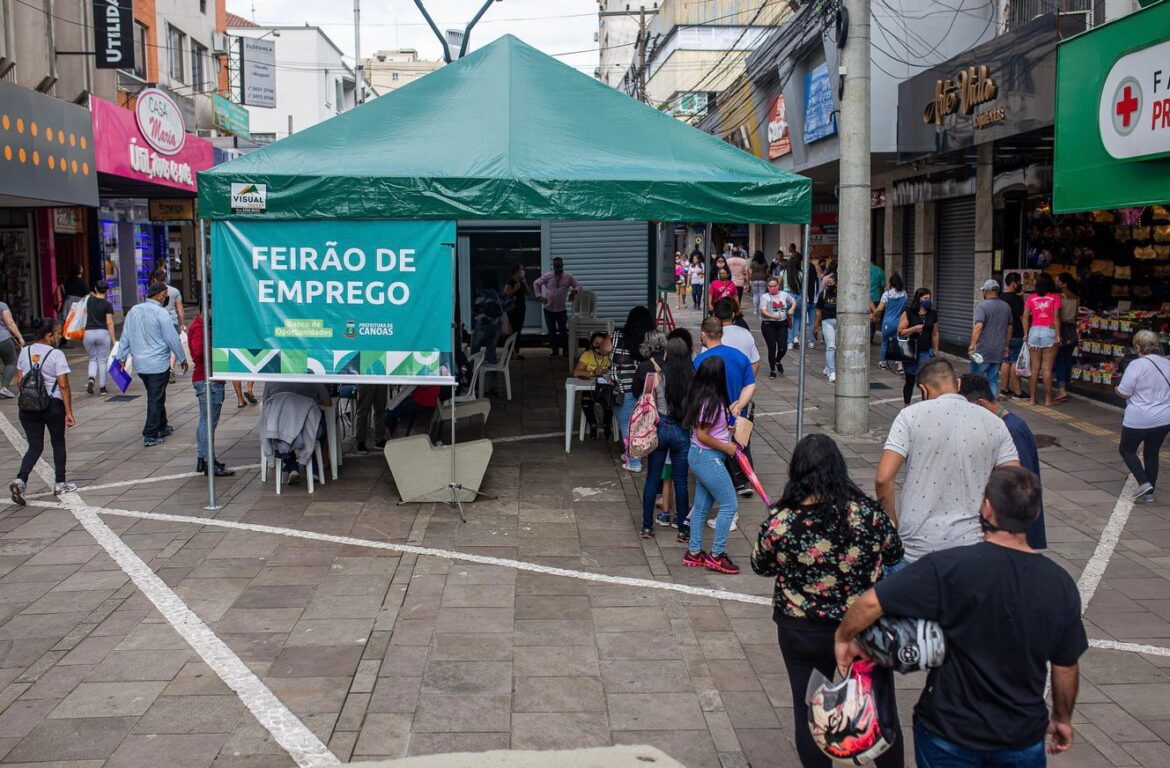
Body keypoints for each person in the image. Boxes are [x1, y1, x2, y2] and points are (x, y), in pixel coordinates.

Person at [835, 467, 1088, 768]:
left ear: (987, 508)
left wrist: (844, 637)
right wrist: (1061, 718)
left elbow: (869, 603)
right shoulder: (1059, 584)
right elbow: (1065, 666)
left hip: (949, 731)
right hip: (1020, 735)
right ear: (1034, 516)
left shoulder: (951, 567)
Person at [752, 434, 904, 768]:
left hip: (802, 628)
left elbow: (760, 565)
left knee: (810, 714)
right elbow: (895, 552)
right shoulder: (868, 515)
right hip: (864, 627)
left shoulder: (781, 521)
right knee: (879, 710)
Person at [875, 358, 1019, 568]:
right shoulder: (995, 423)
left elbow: (883, 479)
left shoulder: (909, 416)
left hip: (916, 547)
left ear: (923, 390)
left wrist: (892, 525)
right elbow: (1015, 483)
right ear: (958, 385)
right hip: (972, 547)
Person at [960, 373, 1046, 549]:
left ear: (980, 403)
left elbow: (1020, 483)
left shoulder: (1011, 431)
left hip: (1013, 530)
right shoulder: (1008, 425)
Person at [682, 354, 740, 575]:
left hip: (698, 456)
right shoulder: (713, 402)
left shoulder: (701, 397)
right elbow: (703, 435)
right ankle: (717, 555)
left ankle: (694, 552)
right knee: (729, 505)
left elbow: (707, 430)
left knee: (701, 506)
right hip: (709, 458)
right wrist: (728, 447)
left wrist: (727, 432)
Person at [8, 318, 76, 504]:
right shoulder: (56, 355)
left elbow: (20, 381)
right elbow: (63, 385)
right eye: (57, 333)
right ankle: (60, 483)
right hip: (52, 405)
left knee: (35, 446)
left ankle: (21, 480)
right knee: (58, 442)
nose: (59, 336)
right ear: (48, 336)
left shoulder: (25, 352)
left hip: (28, 406)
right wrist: (68, 411)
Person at [635, 332, 693, 539]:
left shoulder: (656, 377)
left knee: (652, 478)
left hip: (660, 428)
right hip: (681, 430)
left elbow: (645, 402)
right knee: (681, 481)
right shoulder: (691, 378)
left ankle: (647, 526)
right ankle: (683, 529)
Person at [116, 282, 188, 447]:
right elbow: (171, 338)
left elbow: (126, 336)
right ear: (160, 295)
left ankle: (162, 425)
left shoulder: (133, 310)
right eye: (165, 296)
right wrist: (182, 358)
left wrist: (121, 357)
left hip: (140, 364)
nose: (166, 299)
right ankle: (150, 433)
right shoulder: (161, 313)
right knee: (155, 398)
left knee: (156, 394)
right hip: (157, 363)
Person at [712, 299, 760, 499]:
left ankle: (727, 480)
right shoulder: (745, 334)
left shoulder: (714, 336)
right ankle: (743, 479)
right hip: (741, 395)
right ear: (733, 314)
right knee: (742, 437)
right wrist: (744, 384)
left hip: (717, 395)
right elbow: (755, 364)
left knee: (718, 435)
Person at [1116, 329, 1170, 502]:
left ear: (1138, 346)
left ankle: (1143, 482)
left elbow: (1124, 392)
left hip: (1139, 418)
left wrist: (1116, 389)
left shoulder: (1136, 365)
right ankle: (1149, 494)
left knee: (1126, 449)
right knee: (1152, 453)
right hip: (1164, 417)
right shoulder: (1167, 363)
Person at [188, 302, 234, 478]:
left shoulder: (200, 325)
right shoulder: (201, 327)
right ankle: (208, 461)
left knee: (204, 421)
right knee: (208, 423)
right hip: (208, 379)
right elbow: (199, 352)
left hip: (206, 377)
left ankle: (204, 458)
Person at [263, 381, 331, 484]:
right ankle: (314, 468)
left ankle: (292, 467)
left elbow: (265, 404)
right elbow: (328, 402)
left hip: (280, 433)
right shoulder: (313, 378)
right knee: (315, 425)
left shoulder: (272, 379)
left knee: (285, 426)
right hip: (308, 432)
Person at [611, 307, 654, 470]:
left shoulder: (616, 337)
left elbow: (605, 351)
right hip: (646, 390)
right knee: (641, 424)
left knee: (626, 426)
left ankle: (634, 461)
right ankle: (632, 453)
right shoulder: (651, 341)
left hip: (622, 389)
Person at [967, 279, 1013, 398]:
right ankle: (989, 405)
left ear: (986, 291)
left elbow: (978, 327)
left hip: (982, 351)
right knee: (993, 379)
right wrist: (1006, 345)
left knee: (975, 380)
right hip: (998, 350)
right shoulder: (1006, 306)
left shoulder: (982, 306)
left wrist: (971, 347)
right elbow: (1009, 328)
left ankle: (975, 404)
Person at [1023, 272, 1062, 407]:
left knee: (1034, 369)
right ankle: (1047, 400)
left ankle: (1032, 399)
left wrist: (1026, 334)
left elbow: (1025, 316)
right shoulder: (1055, 297)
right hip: (1049, 331)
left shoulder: (1031, 298)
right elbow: (1056, 317)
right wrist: (1058, 335)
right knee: (1047, 369)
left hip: (1034, 331)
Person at [896, 287, 939, 406]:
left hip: (926, 351)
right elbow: (900, 331)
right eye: (925, 298)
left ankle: (925, 405)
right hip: (911, 352)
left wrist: (935, 351)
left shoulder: (932, 314)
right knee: (910, 380)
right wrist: (914, 329)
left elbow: (935, 334)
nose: (928, 300)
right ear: (918, 299)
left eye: (929, 298)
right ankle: (907, 405)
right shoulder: (909, 313)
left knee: (925, 381)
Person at [533, 257, 581, 358]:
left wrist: (574, 291)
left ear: (562, 266)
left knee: (563, 331)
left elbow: (578, 286)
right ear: (553, 266)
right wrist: (539, 296)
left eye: (559, 266)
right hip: (548, 309)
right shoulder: (548, 276)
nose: (557, 268)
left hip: (561, 310)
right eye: (555, 266)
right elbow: (536, 283)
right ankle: (554, 351)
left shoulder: (568, 276)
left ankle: (566, 351)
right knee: (551, 331)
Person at [574, 331, 615, 441]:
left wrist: (606, 371)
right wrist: (592, 373)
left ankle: (607, 424)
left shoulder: (611, 355)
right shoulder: (587, 355)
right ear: (591, 344)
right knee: (586, 401)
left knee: (610, 401)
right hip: (590, 387)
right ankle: (593, 424)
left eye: (602, 343)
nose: (599, 346)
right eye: (596, 343)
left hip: (606, 388)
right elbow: (576, 372)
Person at [82, 281, 116, 396]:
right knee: (102, 361)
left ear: (96, 288)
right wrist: (113, 340)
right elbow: (109, 322)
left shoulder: (89, 300)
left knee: (92, 359)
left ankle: (91, 378)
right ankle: (102, 388)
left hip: (88, 333)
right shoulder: (107, 304)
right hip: (102, 333)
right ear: (107, 290)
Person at [151, 269, 185, 383]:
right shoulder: (174, 291)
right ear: (165, 278)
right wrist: (182, 323)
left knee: (160, 344)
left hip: (157, 321)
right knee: (173, 343)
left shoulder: (152, 292)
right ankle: (170, 367)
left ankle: (162, 368)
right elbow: (180, 308)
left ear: (155, 279)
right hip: (172, 321)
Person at [759, 277, 797, 378]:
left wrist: (792, 309)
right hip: (768, 324)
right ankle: (772, 370)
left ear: (778, 286)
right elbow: (763, 311)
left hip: (782, 324)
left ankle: (778, 360)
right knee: (772, 348)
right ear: (768, 287)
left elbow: (793, 301)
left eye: (774, 286)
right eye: (770, 286)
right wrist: (773, 316)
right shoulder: (764, 297)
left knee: (783, 347)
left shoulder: (784, 295)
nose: (772, 288)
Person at [470, 273, 509, 365]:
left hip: (481, 324)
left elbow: (475, 307)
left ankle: (473, 375)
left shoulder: (480, 292)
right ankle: (493, 375)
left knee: (474, 351)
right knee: (491, 351)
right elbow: (508, 304)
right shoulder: (497, 294)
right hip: (495, 325)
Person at [999, 272, 1027, 399]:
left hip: (1003, 334)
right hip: (1016, 334)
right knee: (1015, 361)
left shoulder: (1000, 297)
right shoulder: (1016, 299)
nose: (1020, 284)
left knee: (1005, 361)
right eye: (1018, 282)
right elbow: (1022, 317)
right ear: (1013, 283)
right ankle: (1018, 392)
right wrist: (1027, 332)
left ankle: (1004, 389)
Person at [1053, 272, 1080, 404]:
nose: (1056, 283)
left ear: (1064, 284)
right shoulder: (1076, 297)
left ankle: (1062, 389)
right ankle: (1066, 384)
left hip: (1062, 329)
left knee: (1060, 360)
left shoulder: (1059, 297)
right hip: (1072, 330)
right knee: (1067, 359)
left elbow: (1057, 316)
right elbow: (1075, 315)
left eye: (1058, 281)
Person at [871, 274, 906, 372]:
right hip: (900, 322)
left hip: (888, 322)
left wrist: (874, 315)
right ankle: (899, 366)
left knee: (885, 343)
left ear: (890, 283)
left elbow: (879, 309)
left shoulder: (887, 294)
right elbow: (903, 308)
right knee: (899, 343)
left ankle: (883, 363)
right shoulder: (904, 293)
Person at [56, 265, 89, 347]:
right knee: (80, 320)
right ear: (80, 271)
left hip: (68, 301)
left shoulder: (68, 280)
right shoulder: (80, 281)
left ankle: (62, 339)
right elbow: (87, 291)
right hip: (77, 303)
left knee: (66, 321)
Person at [0, 297, 26, 399]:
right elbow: (10, 323)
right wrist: (20, 338)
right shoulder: (2, 305)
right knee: (11, 362)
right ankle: (4, 387)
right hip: (3, 339)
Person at [815, 271, 838, 383]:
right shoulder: (823, 294)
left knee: (837, 347)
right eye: (827, 283)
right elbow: (818, 311)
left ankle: (828, 366)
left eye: (831, 282)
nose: (829, 285)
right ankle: (832, 371)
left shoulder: (842, 294)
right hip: (827, 322)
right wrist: (815, 327)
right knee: (830, 347)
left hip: (840, 323)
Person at [353, 384, 387, 455]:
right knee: (363, 410)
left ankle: (379, 438)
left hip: (381, 377)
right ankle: (360, 441)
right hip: (366, 378)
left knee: (381, 409)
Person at [504, 263, 529, 357]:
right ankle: (510, 352)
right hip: (512, 310)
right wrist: (515, 288)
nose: (523, 272)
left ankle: (517, 351)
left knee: (518, 331)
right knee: (512, 331)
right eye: (521, 270)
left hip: (521, 309)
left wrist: (525, 283)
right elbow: (507, 294)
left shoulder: (522, 281)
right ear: (516, 271)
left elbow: (528, 293)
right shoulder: (510, 282)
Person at [869, 258, 885, 344]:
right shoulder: (879, 270)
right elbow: (883, 284)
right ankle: (870, 336)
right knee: (874, 318)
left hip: (862, 298)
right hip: (876, 297)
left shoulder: (861, 269)